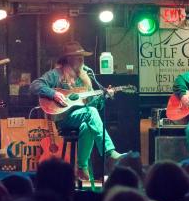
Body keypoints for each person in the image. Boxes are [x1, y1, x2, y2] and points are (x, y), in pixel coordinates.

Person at [30, 41, 125, 180]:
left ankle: (81, 168)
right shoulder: (56, 74)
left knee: (87, 125)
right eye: (78, 56)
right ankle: (110, 152)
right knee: (91, 112)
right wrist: (53, 94)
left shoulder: (86, 76)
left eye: (82, 56)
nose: (82, 59)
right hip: (63, 119)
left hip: (83, 117)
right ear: (68, 59)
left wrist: (103, 97)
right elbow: (34, 85)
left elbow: (94, 104)